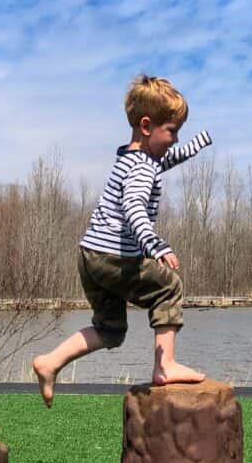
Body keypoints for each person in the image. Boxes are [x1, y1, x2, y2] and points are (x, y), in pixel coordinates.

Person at [33, 74, 213, 407]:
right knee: (168, 285)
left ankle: (51, 362)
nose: (175, 140)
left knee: (111, 329)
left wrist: (199, 142)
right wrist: (155, 245)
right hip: (112, 255)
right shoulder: (143, 169)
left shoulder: (131, 158)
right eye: (172, 131)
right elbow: (133, 207)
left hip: (90, 256)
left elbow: (165, 160)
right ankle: (165, 366)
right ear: (147, 126)